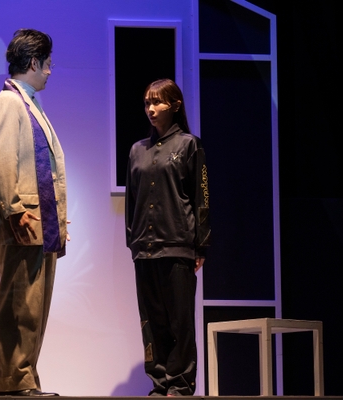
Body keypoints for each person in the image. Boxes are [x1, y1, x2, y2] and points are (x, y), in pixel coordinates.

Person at [0, 28, 68, 397]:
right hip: (23, 223)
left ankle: (25, 379)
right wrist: (15, 209)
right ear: (34, 62)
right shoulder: (9, 103)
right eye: (47, 63)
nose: (50, 71)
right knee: (20, 305)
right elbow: (1, 160)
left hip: (39, 225)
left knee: (33, 309)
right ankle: (15, 381)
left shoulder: (29, 103)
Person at [125, 78, 210, 396]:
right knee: (152, 320)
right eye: (147, 102)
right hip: (144, 249)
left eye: (157, 102)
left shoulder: (189, 145)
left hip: (177, 245)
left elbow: (201, 198)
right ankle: (159, 383)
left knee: (180, 320)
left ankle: (181, 384)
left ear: (175, 105)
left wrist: (201, 244)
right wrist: (132, 241)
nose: (151, 108)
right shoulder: (137, 150)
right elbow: (132, 201)